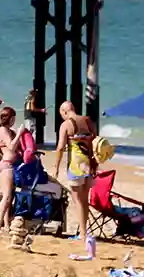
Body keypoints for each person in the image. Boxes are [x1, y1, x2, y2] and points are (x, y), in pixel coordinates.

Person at [54, 100, 98, 261]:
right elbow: (95, 141)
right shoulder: (87, 120)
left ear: (65, 112)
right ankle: (84, 230)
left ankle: (83, 233)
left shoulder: (66, 125)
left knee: (78, 201)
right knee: (84, 200)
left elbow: (60, 147)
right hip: (90, 165)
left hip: (76, 166)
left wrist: (56, 167)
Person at [0, 106, 20, 235]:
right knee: (7, 196)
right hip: (7, 165)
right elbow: (11, 146)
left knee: (10, 197)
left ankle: (6, 224)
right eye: (13, 118)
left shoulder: (8, 130)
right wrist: (19, 133)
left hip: (11, 165)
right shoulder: (3, 130)